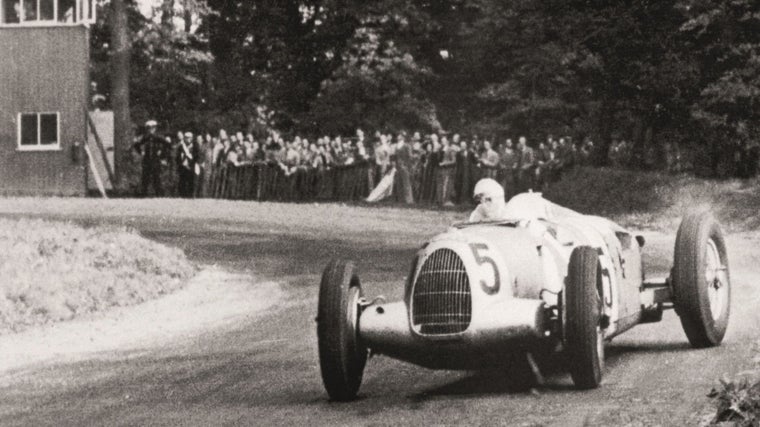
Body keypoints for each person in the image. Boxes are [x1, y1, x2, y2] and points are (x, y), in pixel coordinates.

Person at [132, 120, 169, 197]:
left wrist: (162, 154)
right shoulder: (145, 137)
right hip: (147, 159)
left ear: (155, 128)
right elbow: (136, 145)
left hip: (156, 159)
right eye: (149, 128)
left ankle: (159, 195)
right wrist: (141, 152)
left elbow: (167, 145)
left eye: (152, 128)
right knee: (145, 178)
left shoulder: (159, 137)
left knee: (157, 178)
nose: (151, 130)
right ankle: (144, 195)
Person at [177, 131, 199, 198]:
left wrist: (191, 163)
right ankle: (182, 195)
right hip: (183, 166)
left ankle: (190, 195)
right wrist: (181, 163)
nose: (188, 139)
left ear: (192, 138)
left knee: (191, 181)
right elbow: (178, 156)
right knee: (182, 181)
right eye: (186, 138)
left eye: (189, 138)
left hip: (191, 166)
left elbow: (196, 156)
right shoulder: (181, 146)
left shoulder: (195, 146)